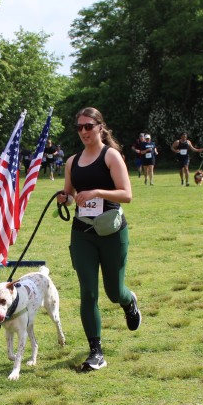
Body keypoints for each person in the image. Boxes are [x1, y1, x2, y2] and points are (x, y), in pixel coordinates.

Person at [57, 107, 142, 372]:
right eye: (79, 127)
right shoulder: (72, 162)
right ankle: (96, 352)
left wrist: (97, 192)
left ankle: (128, 301)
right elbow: (71, 196)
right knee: (88, 292)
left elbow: (127, 194)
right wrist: (65, 198)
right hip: (83, 233)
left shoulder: (111, 156)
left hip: (112, 231)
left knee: (114, 292)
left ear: (100, 127)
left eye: (88, 126)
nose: (83, 131)